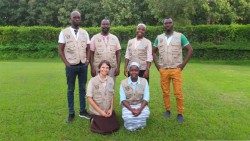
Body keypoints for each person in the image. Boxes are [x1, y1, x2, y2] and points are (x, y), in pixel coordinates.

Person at [152, 17, 193, 123]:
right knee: (165, 92)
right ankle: (167, 110)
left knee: (178, 92)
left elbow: (190, 49)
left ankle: (180, 113)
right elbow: (153, 52)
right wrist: (158, 66)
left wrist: (183, 64)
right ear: (163, 25)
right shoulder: (159, 38)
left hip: (176, 69)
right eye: (166, 23)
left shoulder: (180, 36)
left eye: (170, 23)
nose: (168, 25)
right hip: (164, 70)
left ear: (173, 24)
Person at [58, 10, 91, 123]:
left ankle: (82, 111)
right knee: (70, 89)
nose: (77, 19)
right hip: (71, 66)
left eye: (79, 17)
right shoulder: (64, 32)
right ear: (70, 19)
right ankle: (71, 113)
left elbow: (88, 48)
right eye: (75, 17)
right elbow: (60, 50)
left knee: (83, 88)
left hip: (83, 66)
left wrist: (87, 61)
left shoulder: (84, 32)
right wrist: (67, 64)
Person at [87, 60, 119, 134]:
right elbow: (89, 98)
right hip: (97, 110)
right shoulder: (92, 81)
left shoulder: (111, 80)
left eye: (107, 68)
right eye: (103, 67)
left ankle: (104, 118)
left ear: (109, 69)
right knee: (104, 130)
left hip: (107, 109)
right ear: (99, 68)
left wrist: (111, 109)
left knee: (114, 127)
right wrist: (101, 111)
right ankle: (93, 119)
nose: (105, 69)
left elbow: (112, 95)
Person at [120, 62, 150, 131]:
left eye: (136, 70)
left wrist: (139, 109)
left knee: (145, 114)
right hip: (128, 105)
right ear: (129, 71)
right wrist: (131, 109)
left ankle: (139, 125)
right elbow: (123, 99)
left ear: (139, 71)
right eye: (132, 70)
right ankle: (131, 125)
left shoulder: (144, 81)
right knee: (128, 117)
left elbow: (146, 98)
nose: (134, 72)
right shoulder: (123, 82)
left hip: (140, 104)